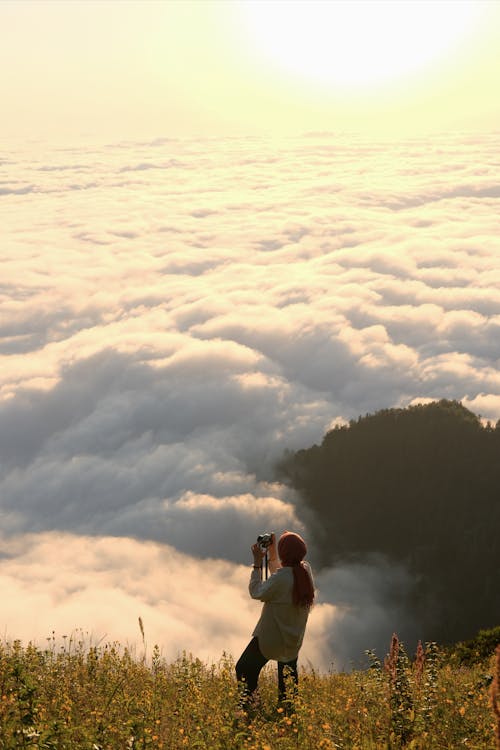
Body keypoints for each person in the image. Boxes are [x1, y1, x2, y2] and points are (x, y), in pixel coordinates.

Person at [235, 530, 315, 710]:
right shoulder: (305, 571)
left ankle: (252, 707)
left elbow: (256, 591)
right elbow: (282, 575)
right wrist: (272, 554)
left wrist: (257, 564)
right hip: (293, 638)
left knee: (244, 668)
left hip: (271, 638)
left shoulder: (283, 578)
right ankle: (288, 714)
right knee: (287, 681)